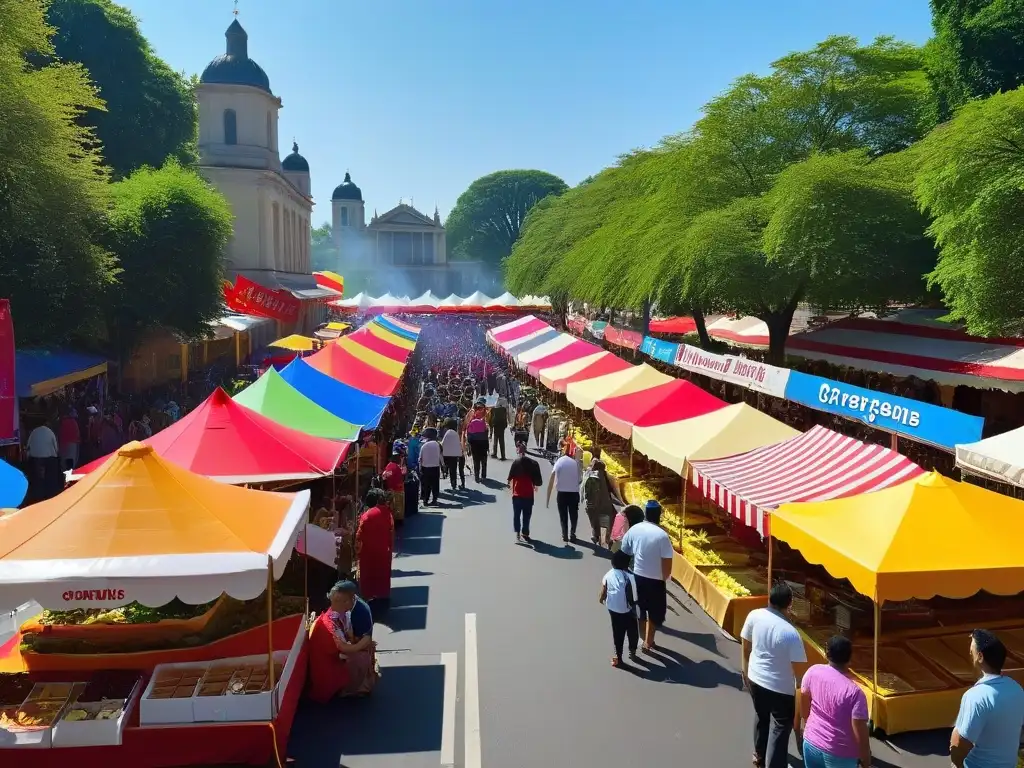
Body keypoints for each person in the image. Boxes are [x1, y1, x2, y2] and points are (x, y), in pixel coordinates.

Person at [740, 582, 807, 768]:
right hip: (781, 689)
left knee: (761, 716)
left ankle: (759, 756)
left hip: (755, 678)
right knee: (780, 727)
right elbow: (799, 675)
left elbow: (745, 646)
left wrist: (744, 671)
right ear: (789, 604)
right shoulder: (791, 634)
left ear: (769, 599)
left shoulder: (754, 615)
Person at [950, 629, 1024, 768]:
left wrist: (957, 765)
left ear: (980, 656)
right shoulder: (1017, 689)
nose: (969, 653)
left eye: (971, 649)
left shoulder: (975, 696)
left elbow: (960, 743)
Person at [798, 635, 870, 768]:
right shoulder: (855, 693)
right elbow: (859, 728)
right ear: (849, 658)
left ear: (827, 654)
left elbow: (803, 702)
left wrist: (806, 725)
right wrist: (866, 759)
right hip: (840, 753)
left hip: (811, 742)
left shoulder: (812, 672)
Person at [307, 581, 379, 703]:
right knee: (361, 657)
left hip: (337, 653)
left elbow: (349, 635)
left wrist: (362, 642)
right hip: (327, 663)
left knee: (365, 651)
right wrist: (362, 643)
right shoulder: (332, 622)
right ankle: (350, 689)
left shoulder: (348, 613)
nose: (332, 605)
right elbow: (342, 647)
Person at [619, 500, 673, 652]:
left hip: (637, 576)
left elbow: (625, 551)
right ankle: (649, 641)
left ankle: (642, 638)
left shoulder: (635, 529)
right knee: (654, 613)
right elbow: (667, 563)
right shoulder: (662, 536)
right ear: (659, 516)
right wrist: (664, 578)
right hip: (656, 580)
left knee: (641, 610)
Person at [600, 549, 639, 668]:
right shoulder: (630, 576)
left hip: (612, 608)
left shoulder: (608, 574)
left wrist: (601, 599)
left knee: (617, 632)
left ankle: (618, 657)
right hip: (628, 610)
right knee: (632, 630)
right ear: (627, 564)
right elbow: (635, 595)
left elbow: (603, 590)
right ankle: (632, 651)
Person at [356, 489, 395, 607]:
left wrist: (357, 552)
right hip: (384, 550)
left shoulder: (366, 516)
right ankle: (383, 594)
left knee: (369, 574)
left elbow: (359, 536)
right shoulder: (388, 513)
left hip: (368, 552)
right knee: (382, 573)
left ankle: (369, 596)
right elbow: (392, 531)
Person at [506, 440, 542, 543]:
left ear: (518, 451)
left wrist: (509, 484)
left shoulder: (516, 463)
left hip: (517, 493)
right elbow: (538, 482)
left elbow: (510, 477)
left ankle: (517, 532)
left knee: (516, 514)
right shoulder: (534, 464)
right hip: (528, 494)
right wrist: (534, 483)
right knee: (527, 515)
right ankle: (525, 532)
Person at [546, 442, 582, 543]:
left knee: (563, 516)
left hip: (561, 494)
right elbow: (579, 479)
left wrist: (547, 500)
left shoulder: (559, 462)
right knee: (573, 515)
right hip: (574, 494)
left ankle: (564, 534)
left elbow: (551, 480)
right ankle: (572, 533)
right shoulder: (575, 463)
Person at [580, 458, 621, 547]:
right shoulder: (606, 476)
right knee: (606, 521)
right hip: (605, 506)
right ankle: (606, 540)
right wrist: (620, 502)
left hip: (591, 506)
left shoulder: (588, 474)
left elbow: (582, 488)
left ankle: (595, 535)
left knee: (594, 521)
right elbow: (614, 491)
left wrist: (583, 500)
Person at [466, 405, 490, 482]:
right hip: (483, 444)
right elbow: (486, 435)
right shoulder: (484, 423)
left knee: (476, 461)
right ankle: (484, 475)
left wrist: (469, 445)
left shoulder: (471, 422)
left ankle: (476, 477)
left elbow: (469, 434)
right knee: (483, 460)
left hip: (474, 445)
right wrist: (487, 447)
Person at [419, 428, 442, 506]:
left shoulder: (424, 445)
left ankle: (425, 500)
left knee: (426, 485)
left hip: (425, 468)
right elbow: (440, 456)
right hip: (435, 467)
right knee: (435, 484)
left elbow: (420, 458)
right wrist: (443, 465)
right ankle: (434, 500)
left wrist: (420, 468)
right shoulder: (437, 444)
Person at [381, 453, 406, 521]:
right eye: (399, 458)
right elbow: (387, 477)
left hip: (397, 489)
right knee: (396, 506)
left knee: (398, 506)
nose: (400, 459)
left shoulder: (394, 466)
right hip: (395, 490)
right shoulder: (392, 466)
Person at [441, 418, 464, 491]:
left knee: (446, 466)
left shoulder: (447, 433)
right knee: (453, 470)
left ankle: (445, 473)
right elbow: (458, 444)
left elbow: (443, 444)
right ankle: (453, 483)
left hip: (446, 455)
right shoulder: (455, 433)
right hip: (454, 455)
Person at [489, 396, 509, 460]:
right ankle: (503, 456)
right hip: (502, 425)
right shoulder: (503, 409)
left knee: (495, 439)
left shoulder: (493, 409)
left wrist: (491, 425)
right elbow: (505, 417)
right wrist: (505, 425)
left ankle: (495, 453)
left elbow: (491, 418)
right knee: (501, 440)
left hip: (496, 425)